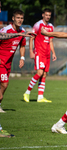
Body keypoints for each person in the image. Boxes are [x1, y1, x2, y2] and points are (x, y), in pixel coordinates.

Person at [0, 7, 36, 137]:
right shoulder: (5, 30)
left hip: (8, 63)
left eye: (22, 18)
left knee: (4, 85)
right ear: (13, 19)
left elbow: (21, 45)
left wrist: (22, 57)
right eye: (18, 18)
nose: (20, 20)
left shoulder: (22, 32)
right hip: (0, 63)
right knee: (4, 84)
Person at [23, 8, 57, 103]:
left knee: (44, 74)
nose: (48, 17)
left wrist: (53, 53)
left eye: (49, 15)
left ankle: (40, 97)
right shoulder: (38, 25)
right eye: (46, 15)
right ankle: (27, 92)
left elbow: (50, 41)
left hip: (47, 53)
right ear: (43, 15)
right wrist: (31, 51)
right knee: (39, 73)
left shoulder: (51, 26)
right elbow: (31, 38)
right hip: (39, 52)